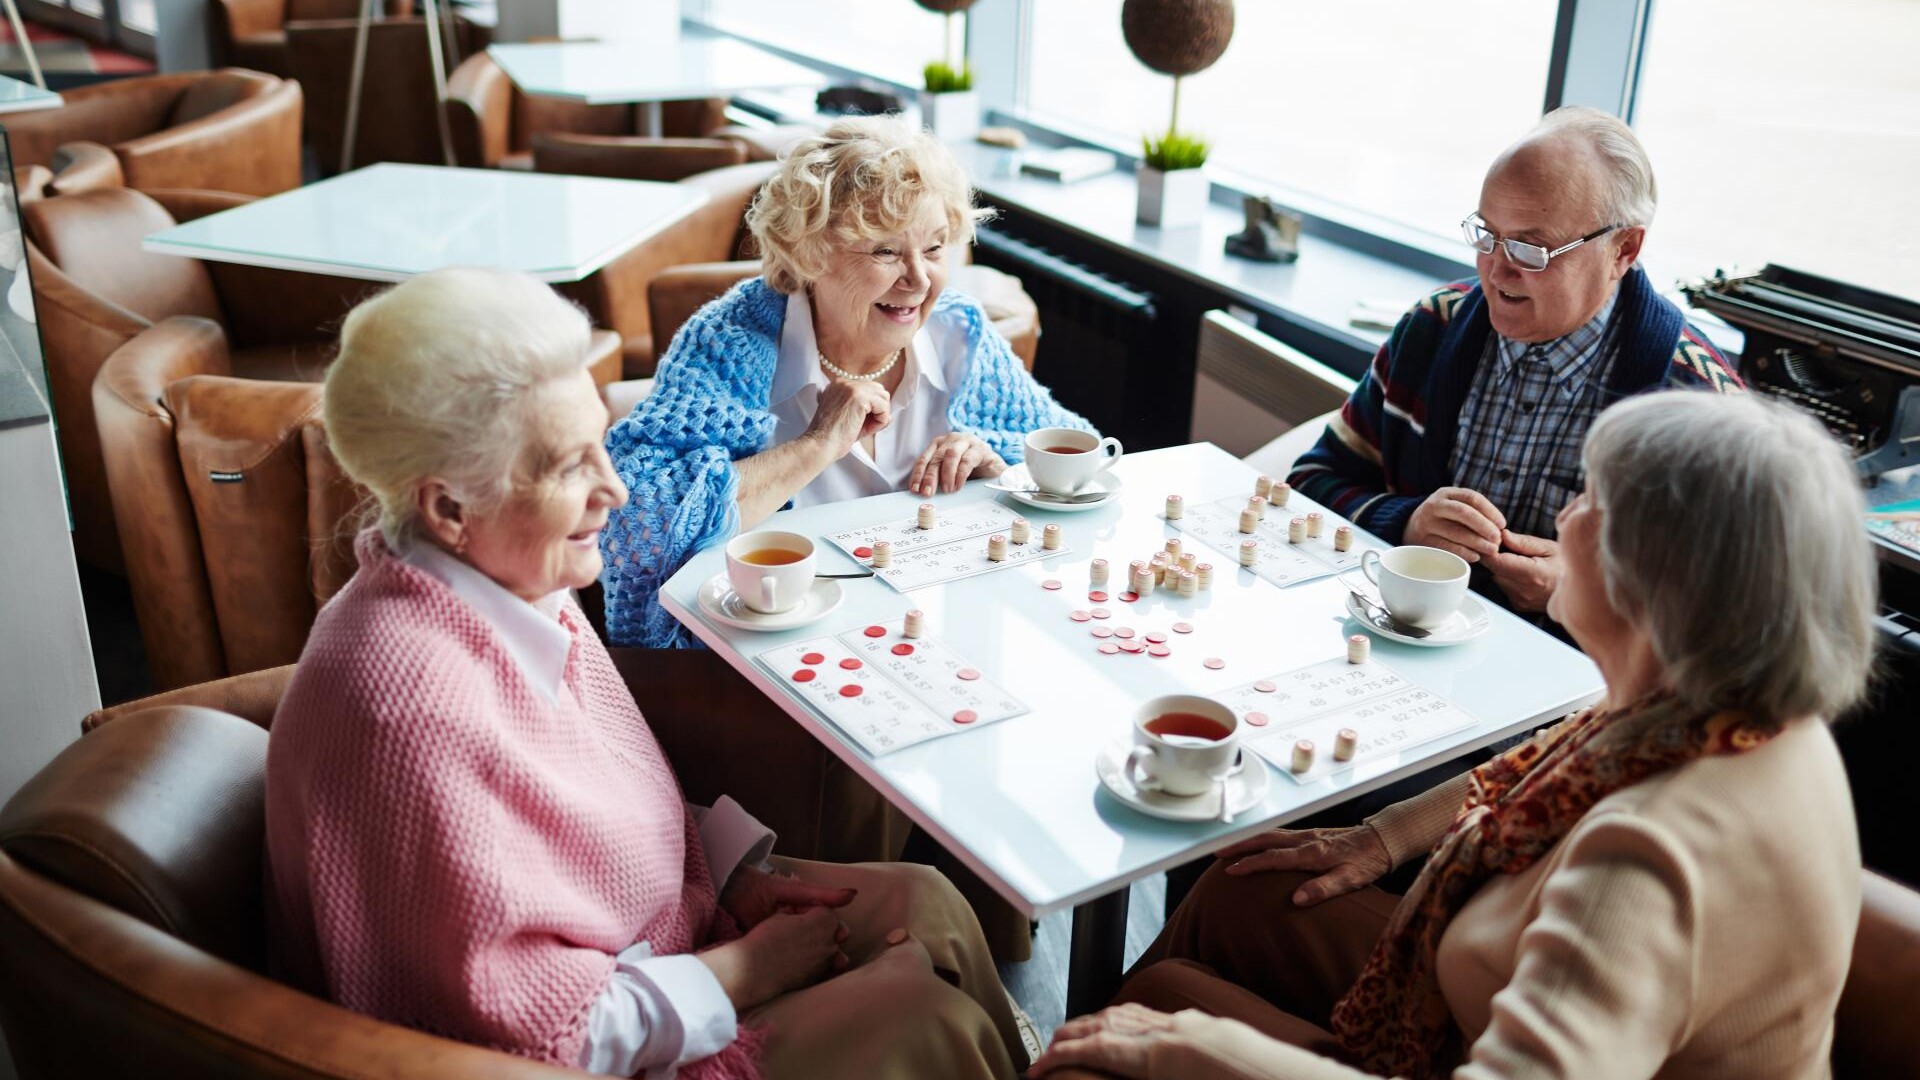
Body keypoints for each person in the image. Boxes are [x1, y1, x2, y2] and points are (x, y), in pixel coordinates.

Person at [266, 268, 1025, 1079]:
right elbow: (540, 1037)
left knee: (928, 903)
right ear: (449, 508)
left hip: (652, 948)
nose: (616, 489)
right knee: (922, 1015)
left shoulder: (512, 581)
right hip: (582, 1047)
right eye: (567, 467)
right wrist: (747, 970)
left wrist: (734, 881)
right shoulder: (409, 708)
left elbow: (581, 826)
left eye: (603, 442)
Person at [1035, 391, 1873, 1080]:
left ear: (1647, 583)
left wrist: (1207, 1053)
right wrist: (1377, 837)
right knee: (1244, 885)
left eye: (1589, 500)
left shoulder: (1646, 859)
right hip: (1478, 1000)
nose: (1563, 513)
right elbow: (1536, 761)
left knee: (1145, 1025)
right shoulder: (1728, 713)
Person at [600, 114, 1090, 650]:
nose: (919, 280)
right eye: (885, 251)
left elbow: (1077, 474)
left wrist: (999, 475)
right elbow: (633, 528)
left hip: (938, 637)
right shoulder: (726, 344)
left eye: (934, 248)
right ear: (808, 254)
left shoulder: (960, 336)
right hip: (778, 658)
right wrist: (817, 445)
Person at [1288, 106, 1742, 616]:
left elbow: (1734, 619)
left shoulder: (1702, 406)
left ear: (1624, 249)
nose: (1498, 271)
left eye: (1533, 249)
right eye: (1486, 235)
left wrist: (1589, 595)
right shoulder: (1432, 327)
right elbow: (1311, 480)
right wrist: (1406, 524)